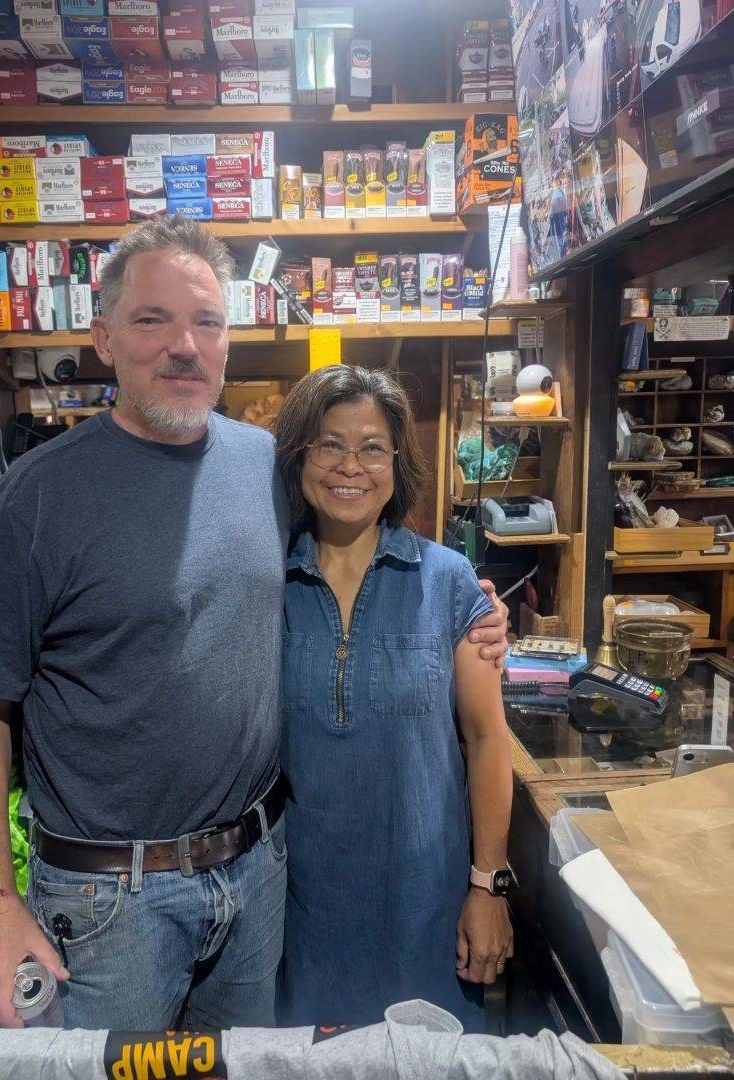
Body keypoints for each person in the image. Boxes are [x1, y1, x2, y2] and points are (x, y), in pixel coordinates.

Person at [0, 218, 509, 1032]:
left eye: (205, 321)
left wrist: (471, 608)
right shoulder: (36, 497)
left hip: (256, 878)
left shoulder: (262, 467)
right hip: (110, 901)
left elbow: (356, 542)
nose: (183, 346)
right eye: (152, 320)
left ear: (227, 342)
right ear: (103, 337)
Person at [274, 366, 514, 1029]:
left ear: (396, 462)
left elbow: (486, 739)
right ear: (299, 459)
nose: (350, 466)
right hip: (301, 910)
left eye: (372, 447)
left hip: (427, 905)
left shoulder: (447, 581)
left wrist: (488, 884)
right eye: (329, 445)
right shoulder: (266, 582)